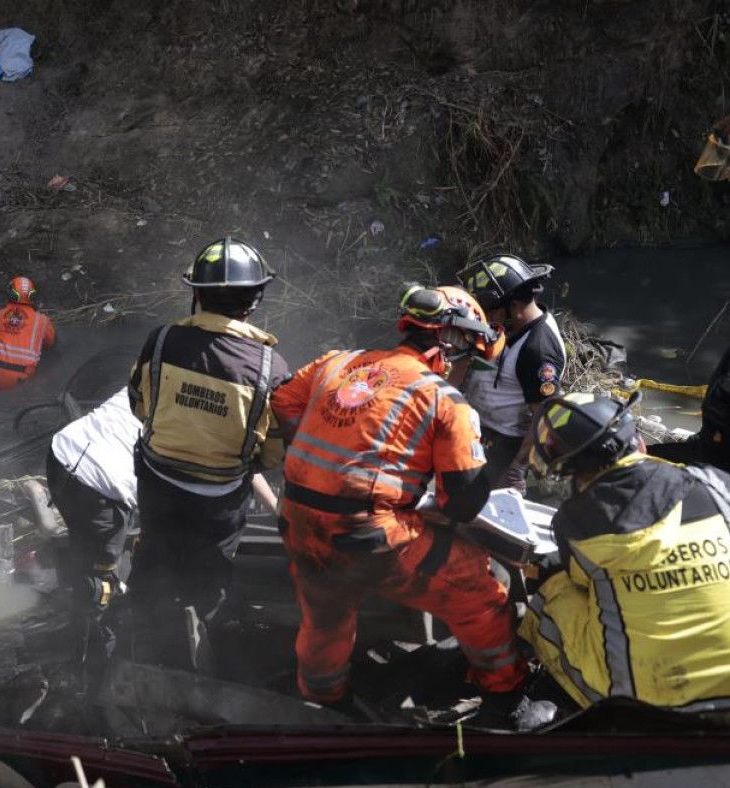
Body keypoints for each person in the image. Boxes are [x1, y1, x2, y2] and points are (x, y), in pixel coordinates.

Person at [271, 285, 528, 715]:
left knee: (325, 618)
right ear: (449, 342)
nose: (463, 369)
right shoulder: (444, 401)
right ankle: (505, 692)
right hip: (371, 539)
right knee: (481, 593)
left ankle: (321, 700)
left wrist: (324, 462)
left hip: (297, 521)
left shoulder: (338, 362)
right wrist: (492, 463)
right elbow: (459, 507)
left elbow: (283, 400)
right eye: (467, 357)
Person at [125, 236, 290, 671]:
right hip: (219, 501)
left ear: (196, 294)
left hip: (158, 484)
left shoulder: (160, 341)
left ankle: (133, 648)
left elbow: (139, 405)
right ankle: (201, 660)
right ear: (255, 300)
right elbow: (272, 452)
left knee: (154, 559)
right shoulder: (271, 368)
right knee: (210, 578)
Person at [520, 391, 730, 712]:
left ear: (572, 472)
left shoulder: (574, 523)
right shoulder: (714, 483)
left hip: (648, 703)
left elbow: (581, 583)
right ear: (638, 443)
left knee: (549, 591)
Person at [45, 389, 142, 681]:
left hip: (61, 457)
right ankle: (93, 668)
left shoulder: (149, 373)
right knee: (101, 585)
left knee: (84, 553)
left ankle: (77, 611)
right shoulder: (192, 416)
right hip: (100, 487)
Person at [455, 253, 567, 493]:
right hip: (477, 429)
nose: (486, 317)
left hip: (504, 444)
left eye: (491, 310)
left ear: (513, 305)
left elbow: (544, 415)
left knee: (479, 513)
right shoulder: (512, 325)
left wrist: (516, 467)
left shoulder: (537, 350)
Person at [0, 276, 56, 390]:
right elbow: (50, 344)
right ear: (32, 296)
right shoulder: (43, 321)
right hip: (19, 381)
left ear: (10, 294)